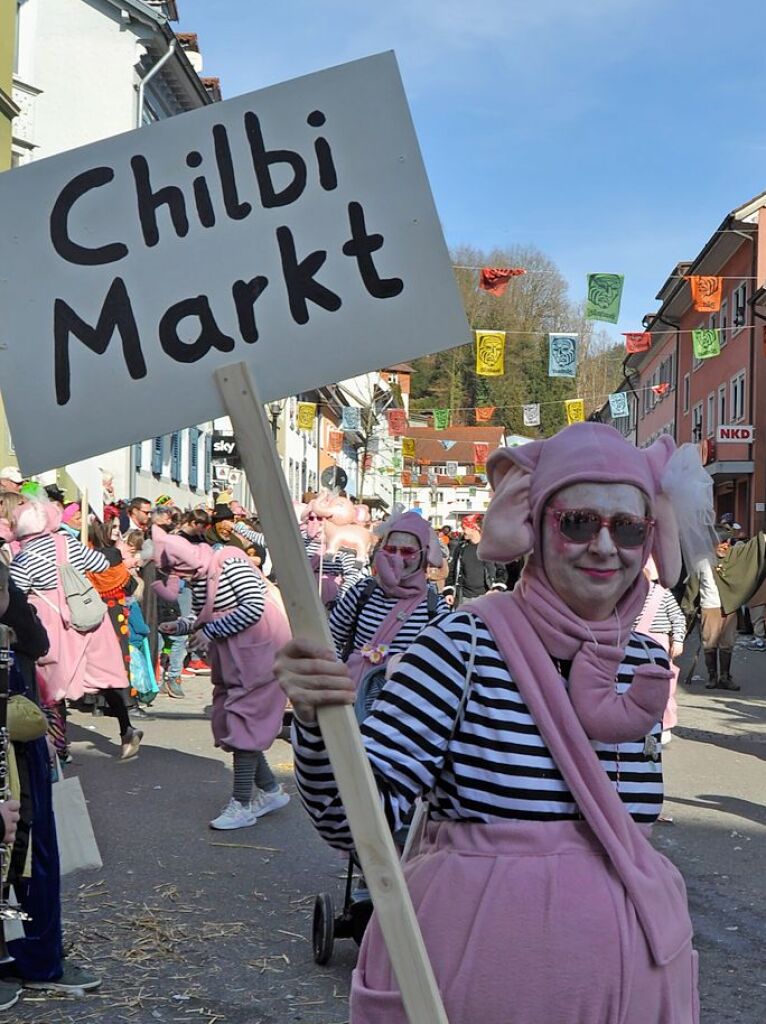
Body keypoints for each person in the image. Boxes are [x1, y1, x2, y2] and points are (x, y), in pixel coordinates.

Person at [276, 422, 705, 1023]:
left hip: (629, 985)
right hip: (480, 978)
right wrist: (319, 726)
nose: (606, 547)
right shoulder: (464, 646)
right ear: (535, 527)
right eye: (579, 522)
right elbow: (360, 826)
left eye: (628, 528)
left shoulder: (640, 659)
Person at [152, 529, 291, 830]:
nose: (178, 578)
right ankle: (269, 791)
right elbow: (210, 614)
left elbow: (253, 606)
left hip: (259, 655)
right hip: (237, 659)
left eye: (175, 571)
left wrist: (210, 632)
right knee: (234, 721)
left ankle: (241, 804)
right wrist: (182, 625)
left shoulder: (230, 562)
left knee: (244, 723)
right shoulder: (202, 572)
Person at [8, 498, 143, 760]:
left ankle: (59, 747)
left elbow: (15, 592)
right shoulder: (68, 542)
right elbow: (101, 564)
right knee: (105, 677)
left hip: (53, 622)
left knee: (52, 686)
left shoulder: (24, 557)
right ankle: (126, 729)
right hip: (88, 615)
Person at [329, 512, 448, 684]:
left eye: (408, 552)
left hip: (403, 703)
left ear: (424, 556)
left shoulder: (435, 607)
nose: (396, 558)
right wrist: (337, 677)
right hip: (352, 698)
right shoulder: (362, 591)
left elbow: (442, 663)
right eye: (391, 550)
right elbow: (330, 637)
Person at [682, 526, 766, 691]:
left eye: (727, 543)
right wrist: (688, 609)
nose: (724, 546)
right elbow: (692, 588)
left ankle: (725, 677)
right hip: (709, 608)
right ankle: (712, 677)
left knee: (727, 644)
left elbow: (755, 547)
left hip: (729, 607)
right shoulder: (701, 561)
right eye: (720, 543)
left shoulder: (735, 557)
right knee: (709, 644)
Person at [636, 557, 686, 743]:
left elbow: (678, 618)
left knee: (662, 685)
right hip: (632, 641)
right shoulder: (627, 595)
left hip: (658, 641)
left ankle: (665, 724)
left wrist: (678, 640)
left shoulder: (663, 594)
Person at [444, 513, 507, 606]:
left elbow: (501, 571)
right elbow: (452, 571)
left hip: (486, 597)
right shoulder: (461, 548)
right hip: (463, 598)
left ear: (474, 528)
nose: (462, 531)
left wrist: (496, 589)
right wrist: (449, 592)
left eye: (464, 528)